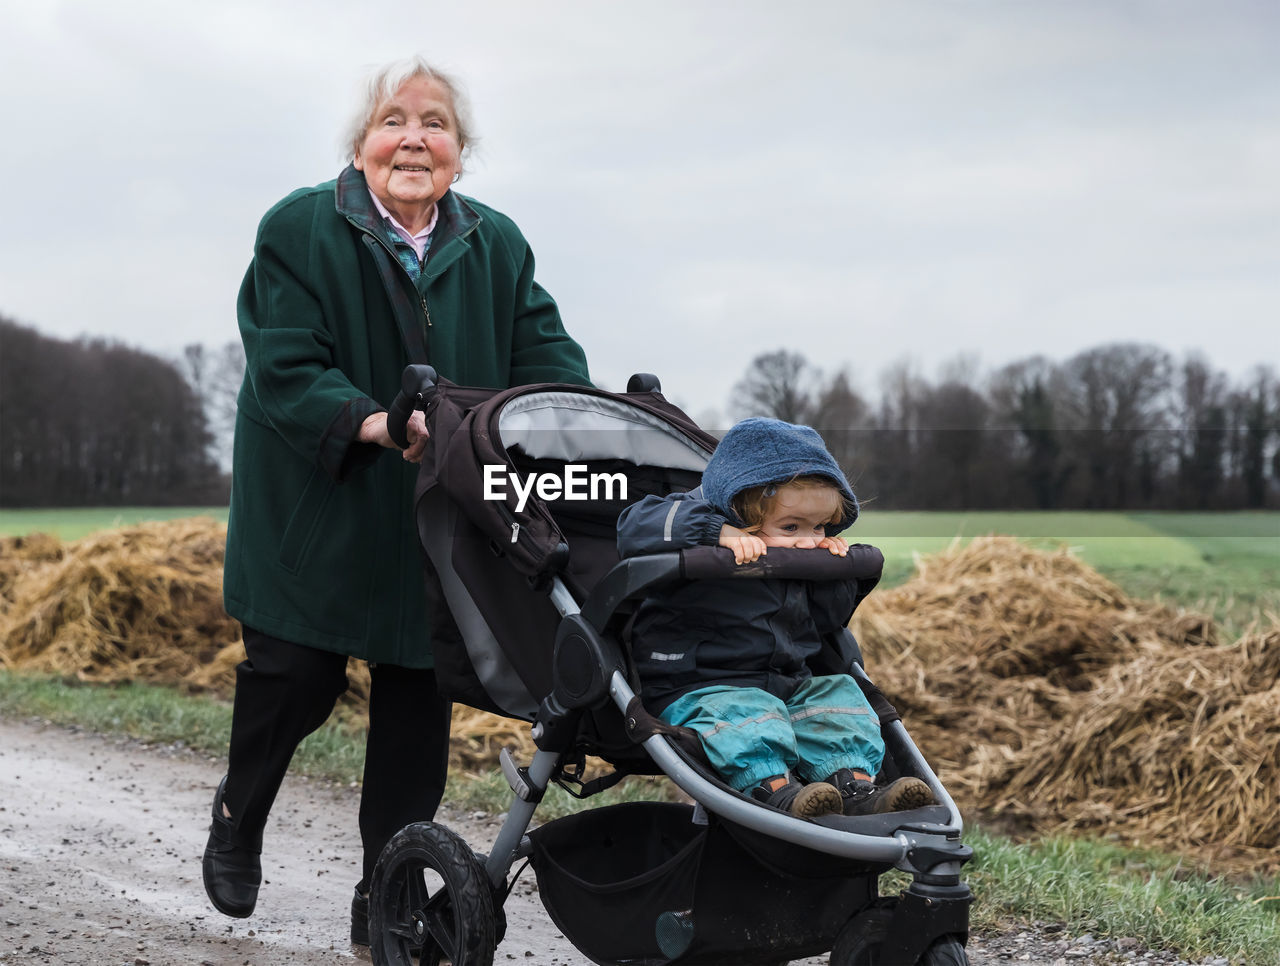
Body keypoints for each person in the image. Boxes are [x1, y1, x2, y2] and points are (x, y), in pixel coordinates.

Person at [204, 55, 591, 945]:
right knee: (294, 680)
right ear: (361, 143)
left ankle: (387, 890)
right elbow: (286, 366)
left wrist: (580, 425)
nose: (414, 137)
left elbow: (547, 361)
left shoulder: (496, 242)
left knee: (419, 692)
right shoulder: (298, 229)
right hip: (318, 502)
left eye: (437, 123)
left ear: (461, 154)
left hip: (434, 512)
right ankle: (238, 818)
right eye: (393, 120)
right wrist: (375, 422)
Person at [616, 417, 934, 819]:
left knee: (837, 695)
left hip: (787, 683)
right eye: (791, 526)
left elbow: (826, 623)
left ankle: (854, 786)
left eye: (819, 525)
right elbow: (632, 526)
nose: (808, 539)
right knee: (745, 716)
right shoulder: (697, 526)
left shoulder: (800, 558)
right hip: (700, 686)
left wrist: (829, 575)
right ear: (737, 512)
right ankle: (776, 790)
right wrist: (716, 532)